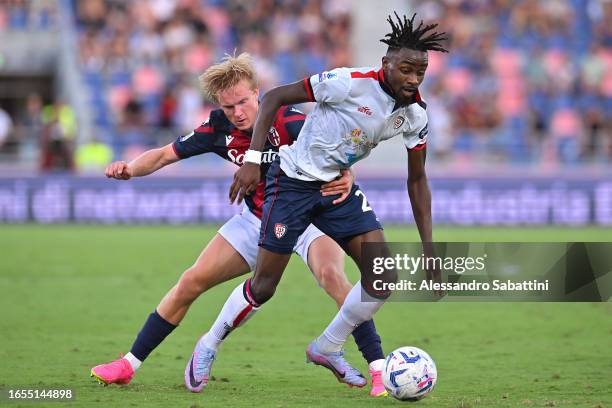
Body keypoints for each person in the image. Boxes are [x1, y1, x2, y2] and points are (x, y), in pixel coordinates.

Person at [90, 53, 388, 397]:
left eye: (244, 102)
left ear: (257, 93)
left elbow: (340, 150)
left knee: (334, 278)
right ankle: (129, 364)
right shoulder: (218, 128)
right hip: (258, 219)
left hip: (310, 219)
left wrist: (349, 175)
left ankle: (377, 368)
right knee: (190, 281)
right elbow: (164, 154)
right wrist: (129, 168)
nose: (239, 112)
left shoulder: (290, 121)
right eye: (229, 107)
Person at [196, 12, 447, 391]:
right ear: (386, 64)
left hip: (335, 190)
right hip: (292, 184)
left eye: (420, 72)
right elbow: (277, 97)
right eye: (406, 69)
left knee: (382, 276)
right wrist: (251, 160)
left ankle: (328, 346)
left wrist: (429, 249)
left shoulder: (415, 115)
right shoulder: (348, 82)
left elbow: (417, 180)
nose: (413, 80)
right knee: (263, 287)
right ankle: (208, 343)